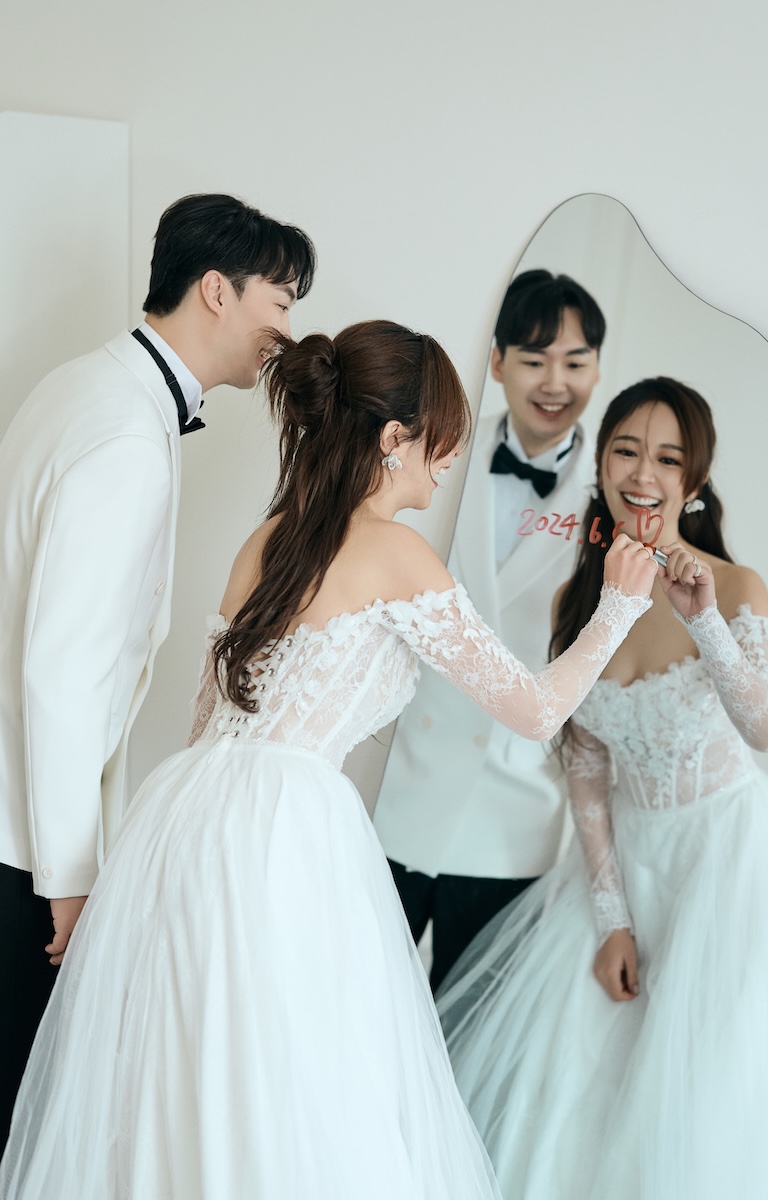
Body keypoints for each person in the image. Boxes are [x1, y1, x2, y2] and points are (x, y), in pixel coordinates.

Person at [0, 322, 656, 1199]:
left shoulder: (269, 538)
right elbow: (535, 712)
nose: (449, 457)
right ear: (395, 438)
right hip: (285, 831)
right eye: (442, 435)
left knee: (186, 1064)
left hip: (185, 815)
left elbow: (210, 716)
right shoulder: (396, 553)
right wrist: (618, 608)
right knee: (293, 1076)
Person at [0, 192, 316, 1147]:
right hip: (22, 843)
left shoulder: (79, 384)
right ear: (217, 290)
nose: (285, 329)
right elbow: (63, 670)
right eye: (280, 300)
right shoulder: (128, 435)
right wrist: (69, 875)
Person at [437, 377, 768, 1200]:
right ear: (601, 466)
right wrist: (611, 921)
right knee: (574, 1095)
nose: (644, 473)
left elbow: (766, 731)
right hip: (621, 866)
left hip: (726, 867)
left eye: (668, 458)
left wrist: (704, 619)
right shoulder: (580, 598)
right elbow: (587, 773)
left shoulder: (737, 587)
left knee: (697, 1097)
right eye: (627, 450)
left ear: (694, 481)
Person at [374, 269, 606, 989]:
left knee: (469, 1028)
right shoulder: (435, 462)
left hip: (514, 813)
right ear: (499, 362)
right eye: (535, 359)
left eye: (575, 362)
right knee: (362, 1004)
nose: (555, 382)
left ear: (598, 369)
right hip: (401, 791)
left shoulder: (612, 495)